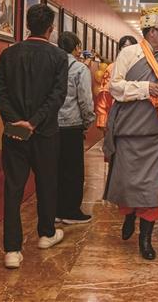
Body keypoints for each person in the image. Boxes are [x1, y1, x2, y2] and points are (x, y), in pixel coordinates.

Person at [103, 7, 158, 260]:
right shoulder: (129, 54)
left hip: (157, 133)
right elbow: (114, 87)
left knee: (152, 188)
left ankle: (145, 239)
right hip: (130, 131)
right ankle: (129, 216)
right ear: (151, 32)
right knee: (128, 184)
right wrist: (145, 88)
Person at [0, 3, 68, 269]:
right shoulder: (59, 56)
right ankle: (46, 234)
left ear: (27, 25)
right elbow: (57, 96)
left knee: (13, 188)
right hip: (45, 132)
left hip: (14, 132)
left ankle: (12, 250)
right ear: (51, 29)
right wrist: (34, 121)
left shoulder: (8, 54)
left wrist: (16, 120)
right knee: (47, 183)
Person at [56, 31, 96, 224]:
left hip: (51, 125)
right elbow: (85, 100)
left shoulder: (51, 65)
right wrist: (88, 121)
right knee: (73, 171)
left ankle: (54, 210)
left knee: (55, 169)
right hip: (72, 125)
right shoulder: (80, 69)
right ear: (76, 47)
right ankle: (71, 212)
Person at [95, 35, 138, 134]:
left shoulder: (141, 68)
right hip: (116, 116)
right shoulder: (112, 68)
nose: (127, 50)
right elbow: (104, 93)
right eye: (124, 47)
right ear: (119, 49)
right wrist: (102, 118)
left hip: (136, 117)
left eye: (131, 47)